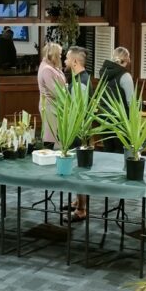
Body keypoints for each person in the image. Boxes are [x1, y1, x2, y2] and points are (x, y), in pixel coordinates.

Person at [64, 46, 92, 221]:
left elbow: (78, 111)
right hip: (78, 132)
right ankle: (78, 201)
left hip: (78, 133)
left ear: (75, 61)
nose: (65, 61)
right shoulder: (79, 79)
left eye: (67, 58)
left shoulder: (80, 83)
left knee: (79, 170)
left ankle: (81, 209)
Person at [97, 46, 135, 154]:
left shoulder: (103, 73)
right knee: (121, 151)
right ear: (127, 60)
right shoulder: (125, 76)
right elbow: (130, 102)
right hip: (120, 120)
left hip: (103, 117)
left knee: (108, 151)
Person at [37, 42, 66, 148]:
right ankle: (50, 156)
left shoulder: (50, 66)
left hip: (53, 106)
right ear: (53, 55)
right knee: (51, 135)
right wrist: (67, 90)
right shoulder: (46, 69)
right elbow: (55, 91)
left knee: (53, 133)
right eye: (59, 54)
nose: (60, 56)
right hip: (50, 106)